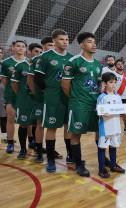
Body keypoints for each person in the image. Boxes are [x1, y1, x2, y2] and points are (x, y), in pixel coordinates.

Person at [61, 32, 101, 176]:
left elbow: (98, 84)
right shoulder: (74, 61)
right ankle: (78, 164)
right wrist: (74, 98)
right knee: (76, 134)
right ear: (82, 45)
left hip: (95, 104)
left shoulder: (97, 64)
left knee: (99, 133)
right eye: (90, 42)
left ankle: (104, 159)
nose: (94, 44)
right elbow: (65, 84)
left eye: (94, 42)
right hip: (78, 104)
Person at [34, 29, 72, 172]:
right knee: (51, 127)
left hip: (67, 97)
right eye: (62, 39)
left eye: (67, 40)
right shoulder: (45, 57)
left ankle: (71, 155)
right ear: (54, 41)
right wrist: (48, 90)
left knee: (68, 126)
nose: (65, 42)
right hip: (52, 98)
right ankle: (50, 159)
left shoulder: (71, 58)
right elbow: (38, 78)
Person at [11, 43, 42, 159]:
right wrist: (21, 96)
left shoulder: (41, 65)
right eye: (36, 51)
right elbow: (14, 83)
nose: (38, 54)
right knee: (23, 124)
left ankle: (36, 146)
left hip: (37, 100)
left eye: (40, 52)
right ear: (29, 52)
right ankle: (23, 149)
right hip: (24, 101)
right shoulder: (20, 66)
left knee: (36, 124)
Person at [27, 36, 55, 163]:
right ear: (43, 46)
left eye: (53, 45)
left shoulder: (60, 59)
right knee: (40, 124)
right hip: (41, 98)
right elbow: (30, 80)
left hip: (55, 98)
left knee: (52, 125)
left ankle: (51, 150)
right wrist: (38, 94)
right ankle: (38, 151)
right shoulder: (38, 60)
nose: (52, 47)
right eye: (50, 45)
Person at [96, 72, 126, 178]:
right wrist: (102, 113)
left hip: (116, 126)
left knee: (113, 146)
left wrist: (125, 111)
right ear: (104, 83)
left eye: (115, 82)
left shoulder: (118, 97)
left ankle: (113, 165)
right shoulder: (102, 97)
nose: (113, 85)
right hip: (105, 127)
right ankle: (101, 169)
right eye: (111, 82)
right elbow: (98, 111)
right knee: (102, 147)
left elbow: (120, 109)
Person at [1, 40, 27, 153]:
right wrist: (11, 91)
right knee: (10, 118)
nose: (21, 48)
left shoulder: (30, 62)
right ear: (13, 48)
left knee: (27, 121)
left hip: (26, 96)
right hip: (11, 95)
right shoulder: (6, 63)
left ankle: (30, 141)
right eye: (18, 46)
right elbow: (4, 80)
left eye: (23, 46)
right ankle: (10, 142)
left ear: (26, 49)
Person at [113, 59, 126, 132]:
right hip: (115, 97)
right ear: (115, 66)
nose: (121, 65)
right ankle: (114, 128)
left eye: (121, 64)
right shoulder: (113, 75)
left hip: (124, 97)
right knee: (115, 114)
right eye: (118, 64)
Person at [0, 47, 7, 143]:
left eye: (1, 52)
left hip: (2, 92)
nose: (0, 54)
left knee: (3, 115)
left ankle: (5, 136)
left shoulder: (3, 64)